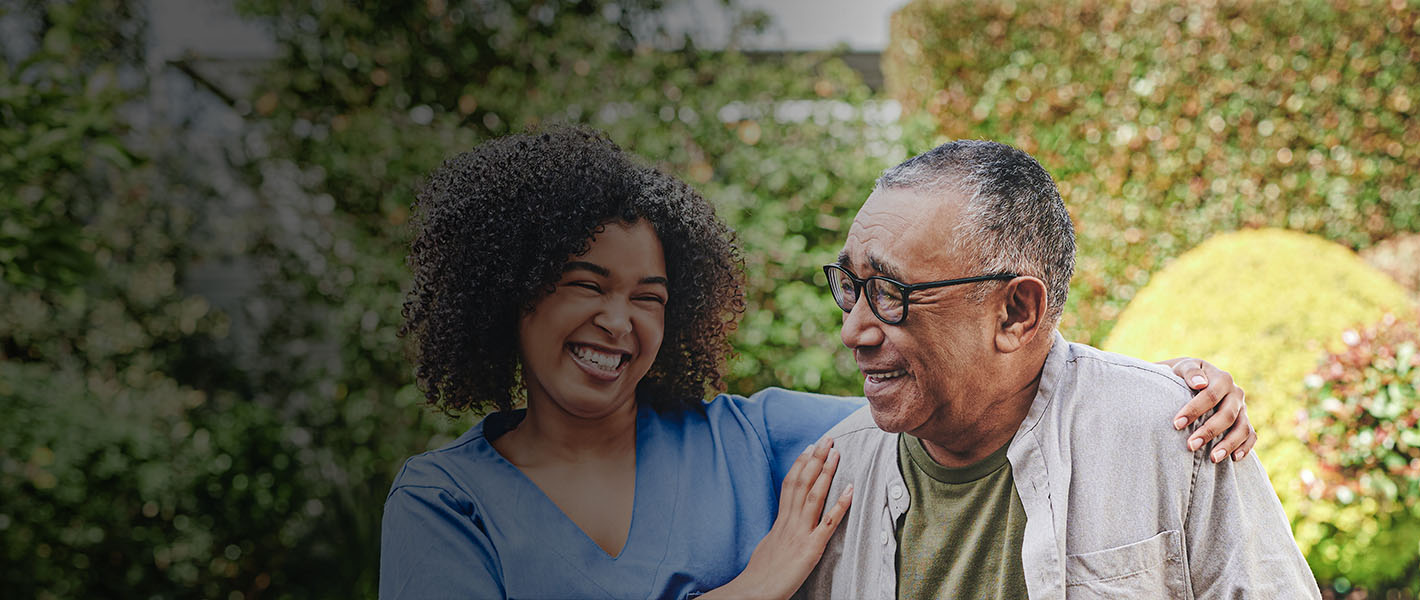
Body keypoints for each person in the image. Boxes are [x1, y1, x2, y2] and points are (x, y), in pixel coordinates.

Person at [380, 126, 1258, 599]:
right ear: (511, 292)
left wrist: (1179, 393)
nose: (618, 321)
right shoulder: (447, 502)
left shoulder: (763, 439)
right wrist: (755, 588)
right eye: (584, 285)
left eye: (649, 295)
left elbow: (984, 388)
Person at [799, 140, 1319, 599]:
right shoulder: (831, 476)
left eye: (892, 292)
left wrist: (1154, 395)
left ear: (1016, 312)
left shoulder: (1179, 432)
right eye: (850, 284)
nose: (853, 332)